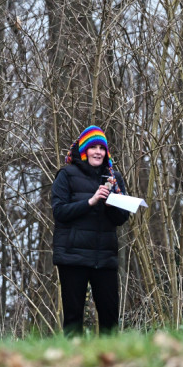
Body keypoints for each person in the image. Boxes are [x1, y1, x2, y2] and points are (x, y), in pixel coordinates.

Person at [51, 125, 131, 335]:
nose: (98, 152)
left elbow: (121, 218)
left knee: (110, 318)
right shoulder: (66, 175)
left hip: (104, 257)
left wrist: (110, 203)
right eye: (93, 147)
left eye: (102, 148)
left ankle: (110, 362)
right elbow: (59, 212)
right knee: (73, 317)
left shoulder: (114, 177)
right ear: (84, 150)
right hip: (72, 257)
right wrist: (91, 201)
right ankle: (72, 363)